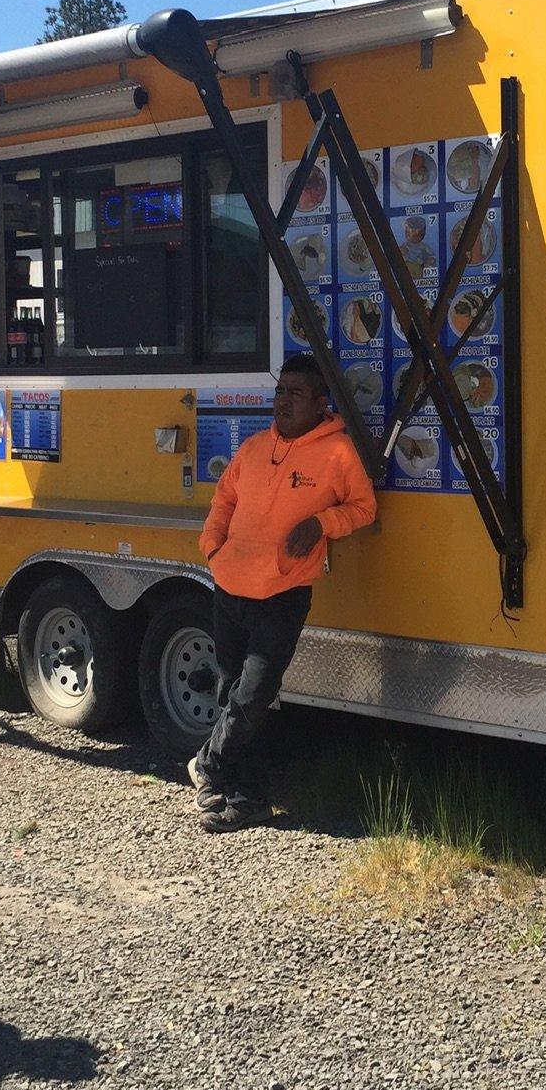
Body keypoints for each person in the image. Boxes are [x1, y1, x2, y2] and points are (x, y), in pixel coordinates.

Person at [189, 354, 376, 832]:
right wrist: (212, 546)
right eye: (280, 391)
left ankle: (207, 764)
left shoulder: (338, 453)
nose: (284, 400)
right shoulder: (252, 448)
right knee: (230, 691)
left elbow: (364, 507)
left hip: (283, 591)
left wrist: (321, 523)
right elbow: (224, 499)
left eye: (296, 393)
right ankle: (245, 798)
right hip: (229, 586)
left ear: (320, 403)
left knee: (253, 694)